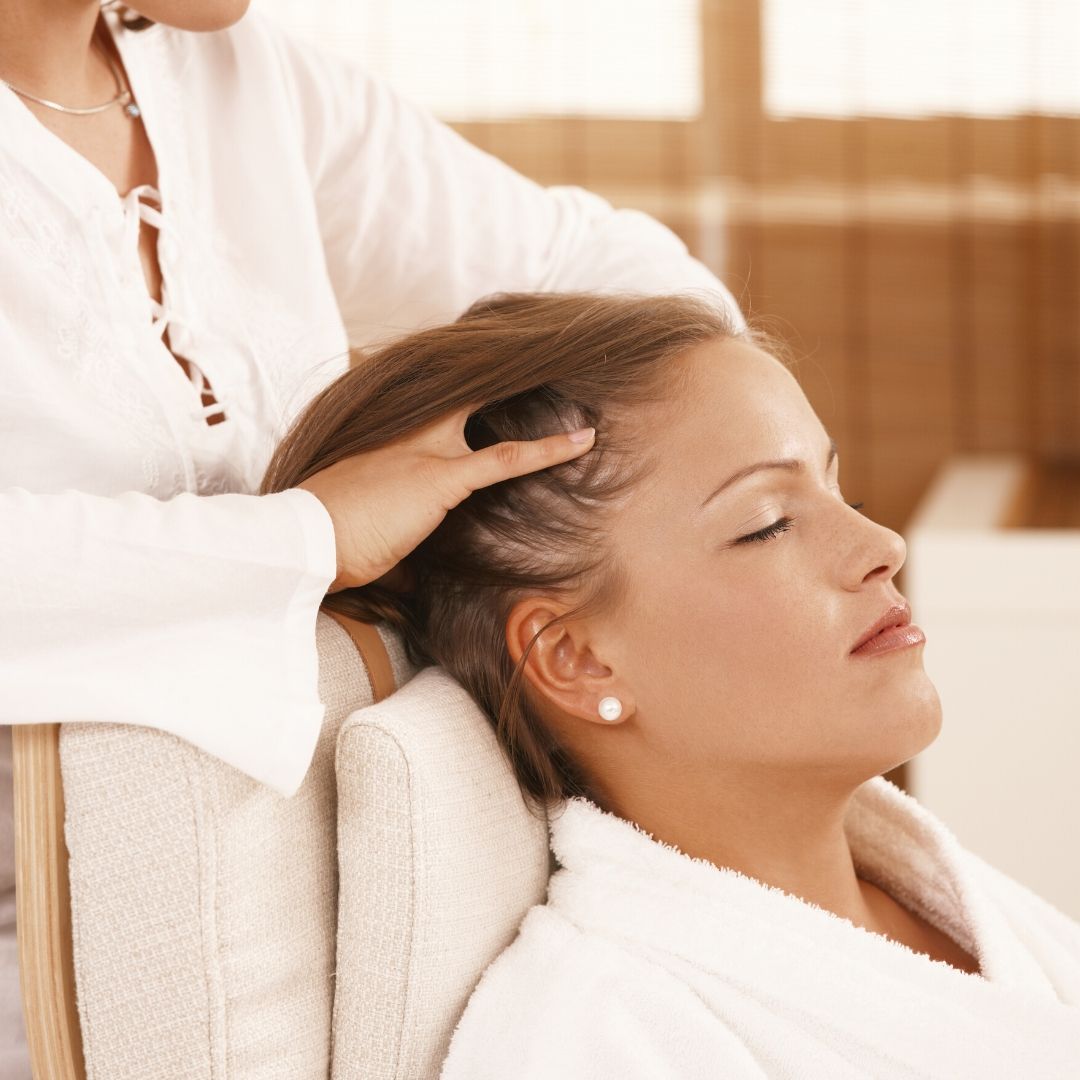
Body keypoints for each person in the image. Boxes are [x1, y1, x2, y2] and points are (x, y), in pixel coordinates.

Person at [0, 1, 744, 1072]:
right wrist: (307, 535)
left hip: (274, 889)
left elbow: (600, 266)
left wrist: (730, 447)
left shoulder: (236, 76)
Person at [262, 290, 1080, 1079]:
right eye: (768, 524)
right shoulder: (599, 1042)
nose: (882, 543)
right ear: (577, 659)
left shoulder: (958, 911)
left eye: (842, 490)